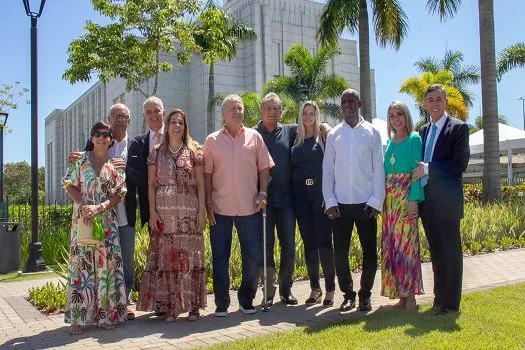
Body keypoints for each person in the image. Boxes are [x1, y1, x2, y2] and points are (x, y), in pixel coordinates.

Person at [204, 94, 274, 317]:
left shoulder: (255, 137)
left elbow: (264, 168)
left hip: (249, 208)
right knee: (220, 256)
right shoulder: (212, 141)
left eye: (240, 108)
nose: (237, 112)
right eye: (232, 109)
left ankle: (246, 300)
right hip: (220, 209)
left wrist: (263, 192)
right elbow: (206, 175)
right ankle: (222, 304)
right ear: (223, 114)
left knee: (252, 255)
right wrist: (208, 203)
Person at [136, 108, 207, 322]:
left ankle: (193, 306)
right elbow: (150, 185)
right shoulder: (156, 152)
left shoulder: (194, 151)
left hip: (188, 214)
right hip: (164, 216)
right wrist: (153, 212)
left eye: (181, 123)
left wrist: (201, 212)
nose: (177, 126)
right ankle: (171, 306)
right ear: (167, 126)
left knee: (190, 260)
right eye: (174, 122)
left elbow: (201, 185)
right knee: (168, 261)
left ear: (185, 127)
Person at [322, 88, 385, 312]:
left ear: (360, 104)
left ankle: (365, 294)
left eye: (351, 101)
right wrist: (329, 201)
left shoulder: (372, 133)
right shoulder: (334, 135)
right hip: (339, 205)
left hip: (366, 204)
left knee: (369, 251)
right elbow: (327, 170)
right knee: (340, 253)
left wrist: (377, 201)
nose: (347, 105)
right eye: (344, 102)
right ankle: (347, 294)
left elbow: (379, 167)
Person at [62, 121, 127, 335]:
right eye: (97, 134)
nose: (101, 137)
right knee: (82, 268)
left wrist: (101, 206)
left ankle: (106, 315)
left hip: (106, 223)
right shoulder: (79, 160)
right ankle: (77, 319)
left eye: (105, 134)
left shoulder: (114, 165)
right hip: (84, 221)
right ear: (91, 138)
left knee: (106, 268)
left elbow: (120, 194)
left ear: (110, 140)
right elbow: (69, 185)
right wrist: (84, 205)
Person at [412, 84, 469, 315]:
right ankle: (439, 299)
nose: (434, 104)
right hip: (428, 202)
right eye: (430, 100)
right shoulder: (423, 131)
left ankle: (450, 303)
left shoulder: (458, 128)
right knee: (436, 252)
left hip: (447, 203)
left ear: (445, 101)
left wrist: (429, 169)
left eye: (438, 99)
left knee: (451, 252)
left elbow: (459, 164)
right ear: (425, 104)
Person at [380, 101, 425, 311]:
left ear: (406, 116)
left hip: (406, 199)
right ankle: (401, 296)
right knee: (393, 248)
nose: (396, 119)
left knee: (407, 249)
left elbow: (417, 173)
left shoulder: (415, 139)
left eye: (399, 114)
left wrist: (413, 199)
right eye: (391, 116)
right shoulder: (389, 143)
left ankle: (411, 298)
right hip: (389, 202)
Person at [255, 92, 298, 306]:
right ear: (261, 110)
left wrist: (325, 127)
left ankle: (286, 290)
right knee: (266, 246)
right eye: (268, 107)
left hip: (286, 196)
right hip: (264, 198)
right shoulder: (253, 134)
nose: (272, 111)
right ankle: (268, 292)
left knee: (288, 245)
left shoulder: (290, 131)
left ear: (281, 111)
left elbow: (314, 124)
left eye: (276, 108)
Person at [291, 101, 336, 306]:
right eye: (305, 113)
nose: (308, 117)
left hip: (320, 194)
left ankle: (330, 290)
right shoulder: (295, 138)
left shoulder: (324, 136)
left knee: (324, 243)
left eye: (312, 113)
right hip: (300, 195)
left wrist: (325, 126)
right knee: (309, 244)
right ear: (300, 116)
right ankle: (315, 289)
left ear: (317, 115)